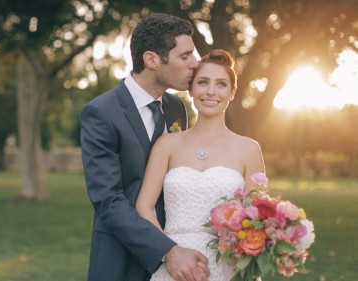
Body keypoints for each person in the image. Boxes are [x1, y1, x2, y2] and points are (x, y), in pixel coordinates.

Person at [80, 13, 210, 281]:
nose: (195, 64)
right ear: (152, 59)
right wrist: (168, 251)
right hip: (121, 259)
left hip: (181, 253)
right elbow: (108, 201)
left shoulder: (177, 108)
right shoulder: (101, 112)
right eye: (185, 57)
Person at [136, 49, 266, 281]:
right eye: (203, 82)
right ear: (191, 88)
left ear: (232, 92)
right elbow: (144, 206)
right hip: (174, 266)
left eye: (221, 84)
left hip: (227, 266)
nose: (211, 92)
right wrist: (169, 253)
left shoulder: (248, 149)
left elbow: (256, 218)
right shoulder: (167, 144)